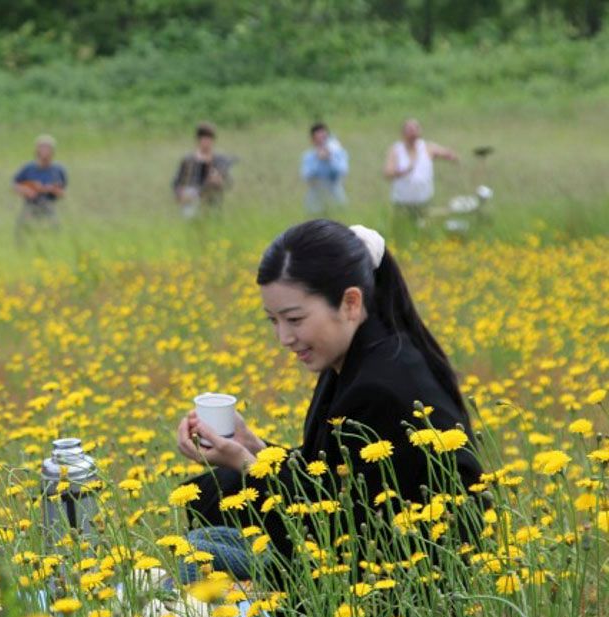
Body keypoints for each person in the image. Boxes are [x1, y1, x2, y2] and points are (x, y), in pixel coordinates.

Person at [174, 219, 482, 580]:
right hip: (356, 548)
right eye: (273, 321)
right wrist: (251, 445)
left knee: (199, 557)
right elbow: (325, 480)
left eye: (294, 319)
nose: (284, 337)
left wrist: (246, 463)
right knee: (205, 498)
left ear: (350, 302)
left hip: (402, 579)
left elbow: (346, 528)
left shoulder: (381, 386)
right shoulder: (351, 358)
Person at [384, 119, 458, 237]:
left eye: (415, 129)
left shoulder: (428, 147)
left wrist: (450, 155)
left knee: (424, 233)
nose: (413, 133)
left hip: (424, 203)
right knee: (402, 233)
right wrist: (401, 172)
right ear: (403, 133)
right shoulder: (396, 150)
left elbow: (447, 154)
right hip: (402, 204)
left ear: (420, 131)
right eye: (409, 130)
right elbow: (387, 173)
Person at [12, 134, 68, 246]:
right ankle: (21, 247)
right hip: (30, 204)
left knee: (55, 228)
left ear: (53, 151)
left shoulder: (58, 170)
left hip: (48, 203)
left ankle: (54, 246)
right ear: (36, 150)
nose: (44, 150)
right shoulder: (28, 168)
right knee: (21, 228)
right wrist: (27, 190)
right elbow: (15, 185)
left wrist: (50, 189)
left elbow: (62, 192)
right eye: (42, 147)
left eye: (47, 148)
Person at [172, 122, 234, 220]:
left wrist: (219, 182)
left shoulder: (219, 160)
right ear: (198, 140)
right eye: (203, 138)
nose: (206, 142)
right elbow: (176, 183)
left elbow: (229, 183)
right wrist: (181, 195)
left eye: (209, 138)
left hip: (213, 206)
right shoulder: (188, 159)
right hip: (191, 205)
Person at [301, 123, 349, 216]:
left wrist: (330, 160)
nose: (322, 142)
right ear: (312, 140)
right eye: (318, 139)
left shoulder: (339, 153)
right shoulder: (308, 156)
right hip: (315, 197)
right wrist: (318, 160)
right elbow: (307, 176)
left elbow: (342, 171)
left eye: (324, 138)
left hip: (335, 193)